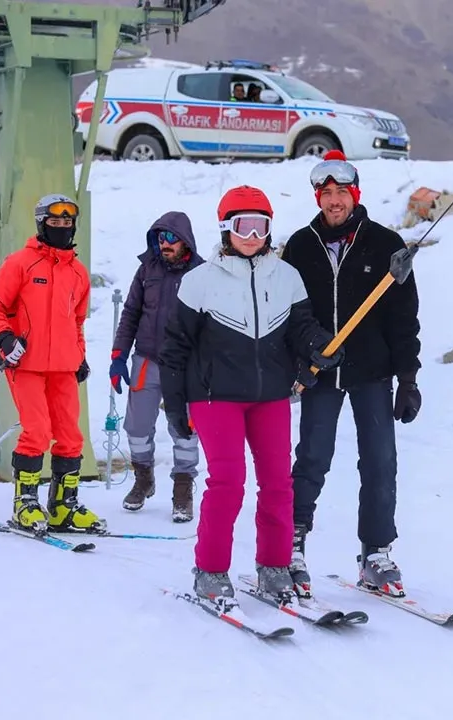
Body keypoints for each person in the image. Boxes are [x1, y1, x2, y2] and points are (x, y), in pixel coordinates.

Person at [159, 185, 343, 603]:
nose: (253, 235)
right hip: (214, 396)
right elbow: (174, 349)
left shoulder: (287, 276)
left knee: (279, 484)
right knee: (228, 483)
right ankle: (210, 570)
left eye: (261, 226)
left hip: (270, 397)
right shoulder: (199, 281)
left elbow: (300, 328)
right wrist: (174, 405)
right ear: (226, 229)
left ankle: (274, 565)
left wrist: (318, 344)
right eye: (243, 225)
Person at [280, 150, 423, 598]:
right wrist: (306, 355)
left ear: (354, 194)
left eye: (342, 192)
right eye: (327, 194)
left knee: (380, 462)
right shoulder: (301, 246)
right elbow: (290, 313)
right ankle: (292, 544)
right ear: (318, 198)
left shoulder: (384, 243)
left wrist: (409, 378)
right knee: (312, 460)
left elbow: (404, 319)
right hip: (321, 373)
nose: (334, 201)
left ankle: (375, 552)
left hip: (373, 372)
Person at [0, 193, 99, 535]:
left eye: (67, 222)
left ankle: (63, 506)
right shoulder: (21, 263)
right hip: (25, 364)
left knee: (71, 436)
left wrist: (80, 356)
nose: (62, 228)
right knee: (38, 432)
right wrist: (5, 339)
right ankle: (25, 503)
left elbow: (76, 321)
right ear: (42, 224)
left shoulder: (77, 272)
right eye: (54, 222)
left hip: (63, 366)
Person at [110, 212, 204, 522]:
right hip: (145, 359)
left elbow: (210, 324)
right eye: (160, 238)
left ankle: (182, 488)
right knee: (136, 427)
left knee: (185, 428)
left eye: (171, 238)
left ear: (185, 241)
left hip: (185, 366)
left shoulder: (201, 273)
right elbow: (130, 314)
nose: (164, 244)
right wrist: (118, 356)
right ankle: (143, 479)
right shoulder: (146, 269)